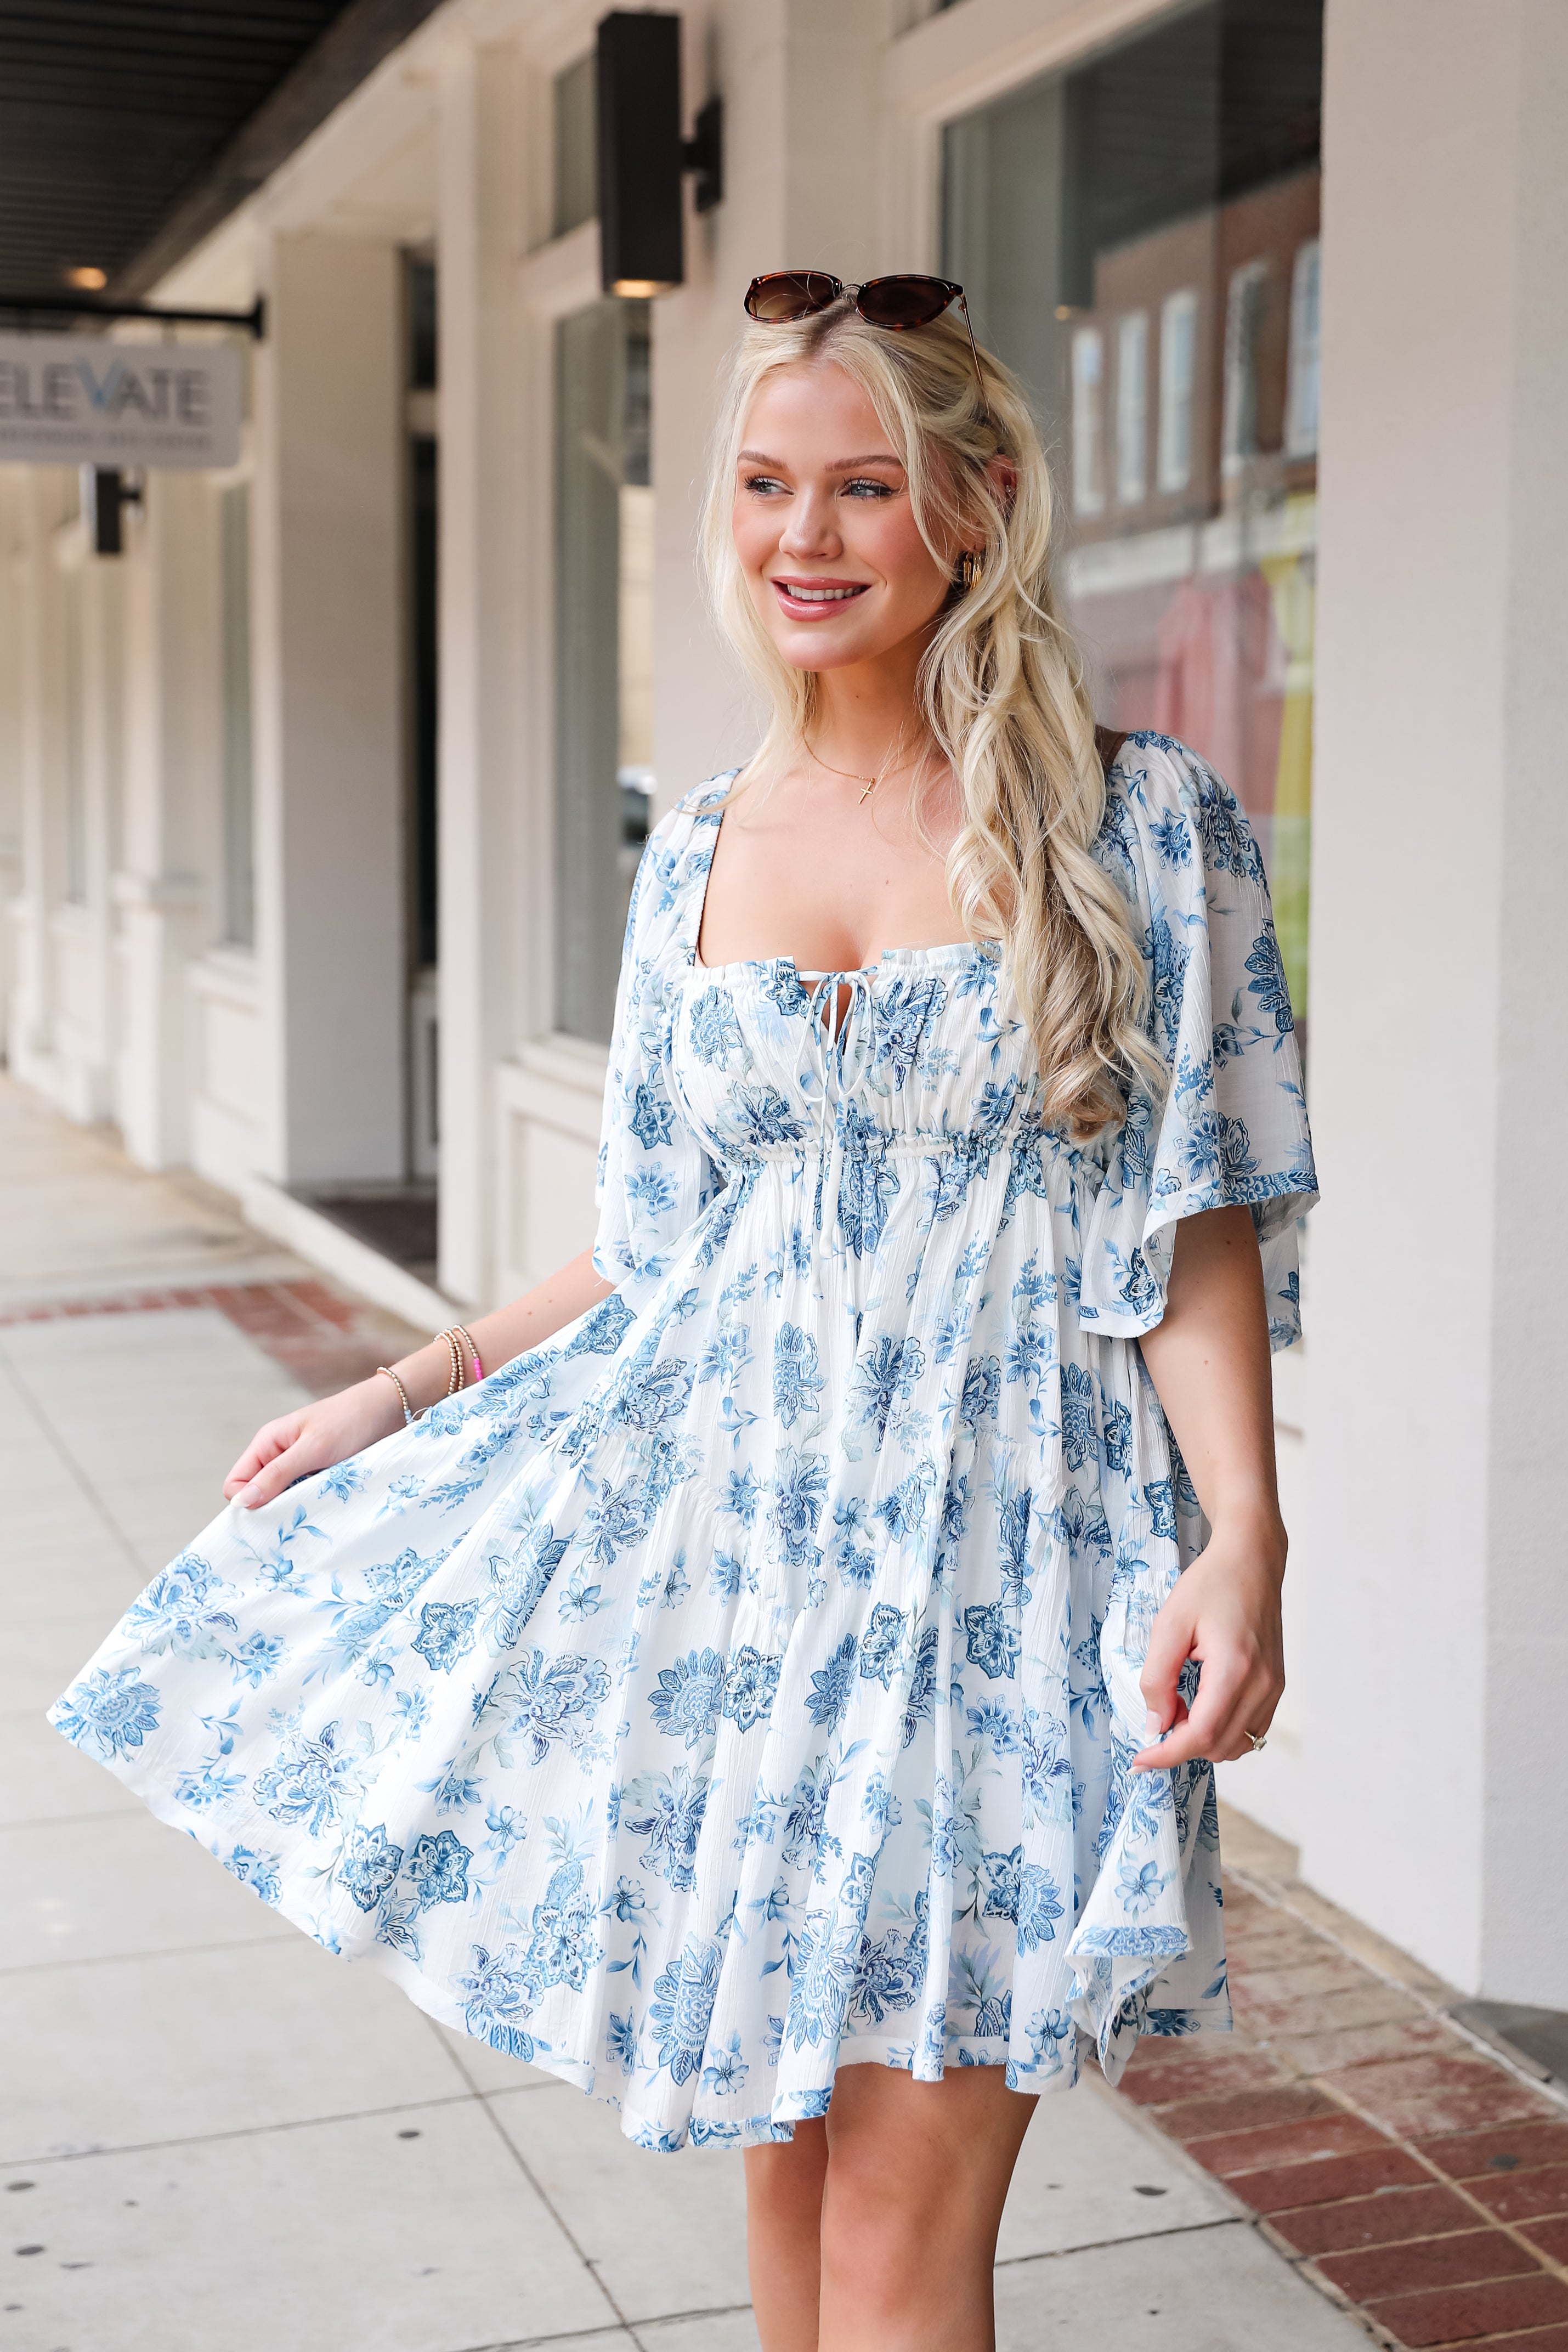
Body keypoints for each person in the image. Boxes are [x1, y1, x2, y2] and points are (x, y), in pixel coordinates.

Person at [52, 273, 1317, 2352]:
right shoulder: (699, 846)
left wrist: (1241, 1537)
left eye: (860, 488)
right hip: (745, 1577)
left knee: (901, 2257)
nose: (800, 538)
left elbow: (1193, 1220)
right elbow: (666, 1238)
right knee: (798, 2224)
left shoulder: (1137, 821)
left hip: (1004, 1568)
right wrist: (406, 1383)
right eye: (760, 486)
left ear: (974, 510)